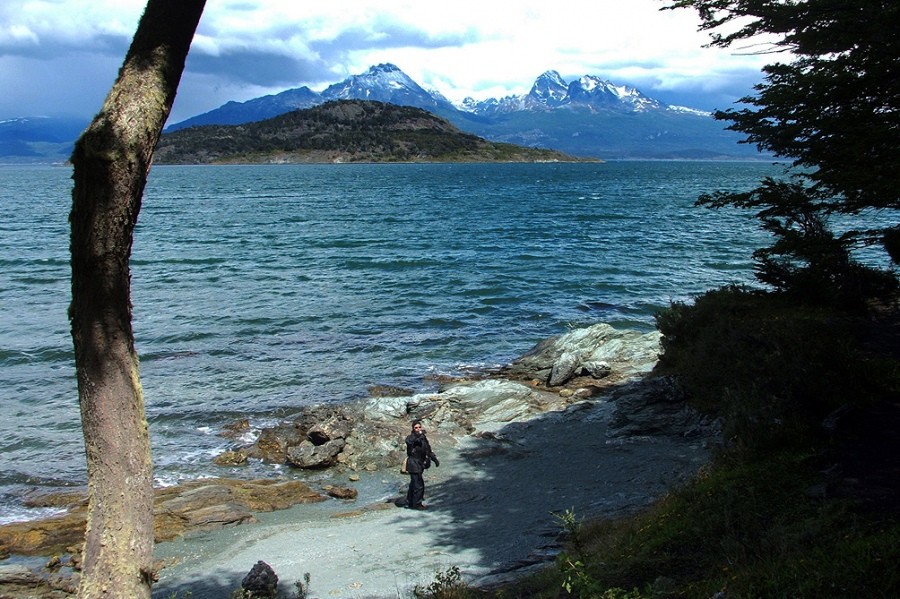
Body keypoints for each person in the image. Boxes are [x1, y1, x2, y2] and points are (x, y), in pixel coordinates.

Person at [404, 420, 439, 509]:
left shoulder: (423, 437)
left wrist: (434, 459)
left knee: (414, 484)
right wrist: (417, 436)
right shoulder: (411, 437)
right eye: (416, 427)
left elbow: (428, 449)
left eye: (419, 427)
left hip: (420, 464)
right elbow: (409, 441)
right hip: (413, 463)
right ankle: (417, 504)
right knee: (419, 485)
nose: (418, 429)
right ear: (413, 428)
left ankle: (410, 502)